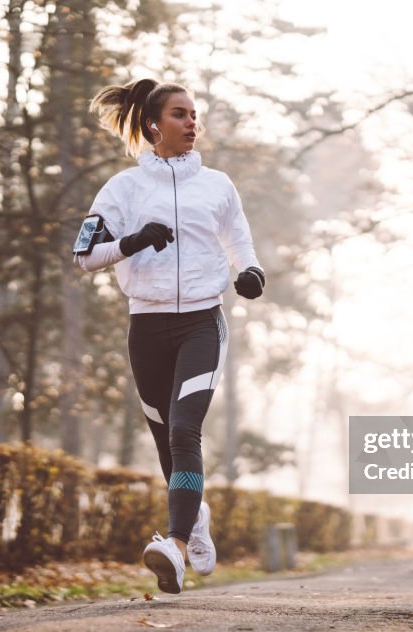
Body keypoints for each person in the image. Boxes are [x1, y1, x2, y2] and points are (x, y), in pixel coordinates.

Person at [76, 78, 265, 594]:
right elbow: (84, 256)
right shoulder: (122, 189)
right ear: (153, 125)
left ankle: (175, 547)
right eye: (180, 114)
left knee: (185, 430)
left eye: (194, 114)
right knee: (165, 444)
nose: (191, 122)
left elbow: (241, 245)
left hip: (202, 323)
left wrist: (251, 274)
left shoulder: (218, 185)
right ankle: (196, 514)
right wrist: (132, 241)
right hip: (146, 327)